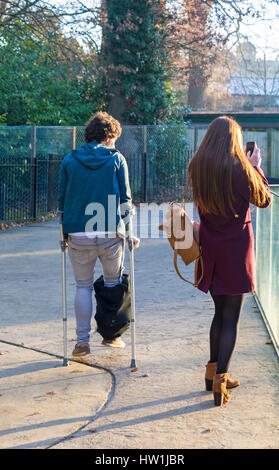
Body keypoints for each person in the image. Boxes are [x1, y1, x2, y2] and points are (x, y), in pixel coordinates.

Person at [188, 116, 271, 406]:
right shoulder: (240, 168)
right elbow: (264, 200)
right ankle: (221, 381)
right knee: (231, 319)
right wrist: (256, 165)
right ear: (234, 139)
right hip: (236, 249)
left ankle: (212, 374)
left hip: (210, 247)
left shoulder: (198, 165)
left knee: (218, 312)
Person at [58, 112, 140, 356]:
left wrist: (63, 235)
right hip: (109, 230)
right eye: (114, 139)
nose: (114, 143)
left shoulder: (70, 160)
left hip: (77, 232)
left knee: (82, 286)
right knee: (113, 283)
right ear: (108, 137)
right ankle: (111, 336)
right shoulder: (116, 158)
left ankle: (82, 342)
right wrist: (130, 233)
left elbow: (61, 203)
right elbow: (125, 201)